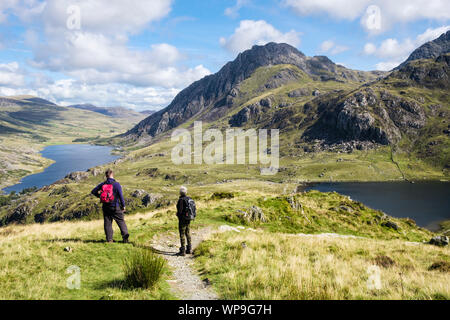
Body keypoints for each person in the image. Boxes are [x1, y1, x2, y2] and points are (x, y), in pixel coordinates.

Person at [91, 169, 129, 243]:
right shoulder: (116, 184)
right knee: (121, 221)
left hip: (106, 207)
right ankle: (125, 238)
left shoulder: (103, 184)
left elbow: (93, 191)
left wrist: (100, 196)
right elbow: (121, 196)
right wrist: (123, 206)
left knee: (107, 223)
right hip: (115, 207)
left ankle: (109, 240)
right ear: (112, 174)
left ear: (106, 176)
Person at [176, 186, 196, 256]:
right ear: (186, 192)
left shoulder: (181, 200)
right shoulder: (189, 199)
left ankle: (183, 250)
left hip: (182, 219)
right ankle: (189, 249)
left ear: (180, 193)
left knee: (182, 233)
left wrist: (178, 215)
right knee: (188, 232)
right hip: (189, 218)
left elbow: (180, 211)